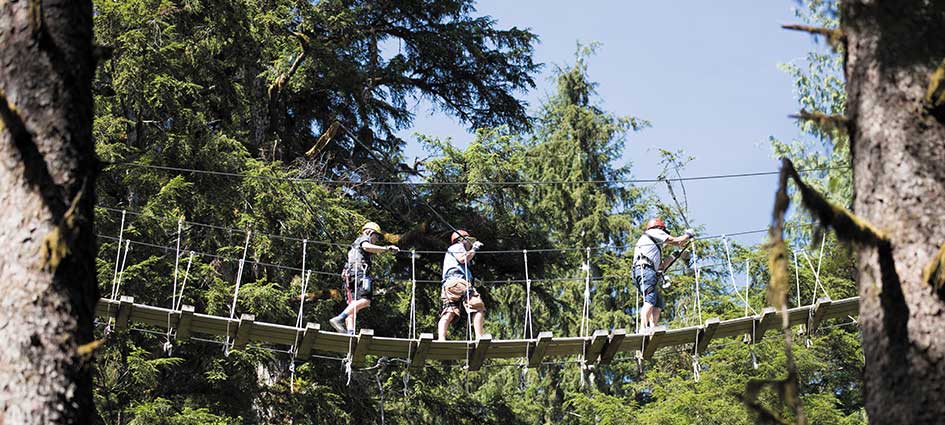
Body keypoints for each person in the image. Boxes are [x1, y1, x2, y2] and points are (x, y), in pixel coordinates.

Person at [328, 222, 400, 334]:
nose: (376, 240)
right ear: (369, 232)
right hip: (359, 273)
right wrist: (386, 249)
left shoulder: (353, 248)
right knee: (365, 300)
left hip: (350, 275)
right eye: (375, 236)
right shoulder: (362, 239)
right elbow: (366, 247)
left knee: (352, 306)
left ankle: (350, 333)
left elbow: (349, 261)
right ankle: (339, 319)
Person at [632, 218, 694, 331]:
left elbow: (662, 266)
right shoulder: (654, 232)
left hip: (644, 271)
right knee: (650, 300)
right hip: (645, 270)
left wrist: (676, 254)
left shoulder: (652, 247)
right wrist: (688, 234)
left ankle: (652, 327)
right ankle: (642, 328)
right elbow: (676, 241)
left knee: (657, 303)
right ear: (660, 228)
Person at [437, 230, 486, 341]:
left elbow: (460, 265)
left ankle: (441, 338)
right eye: (469, 241)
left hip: (448, 285)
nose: (470, 244)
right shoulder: (458, 247)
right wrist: (474, 249)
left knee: (449, 312)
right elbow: (463, 259)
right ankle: (479, 337)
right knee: (478, 307)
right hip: (458, 282)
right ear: (462, 239)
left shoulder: (452, 251)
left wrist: (472, 281)